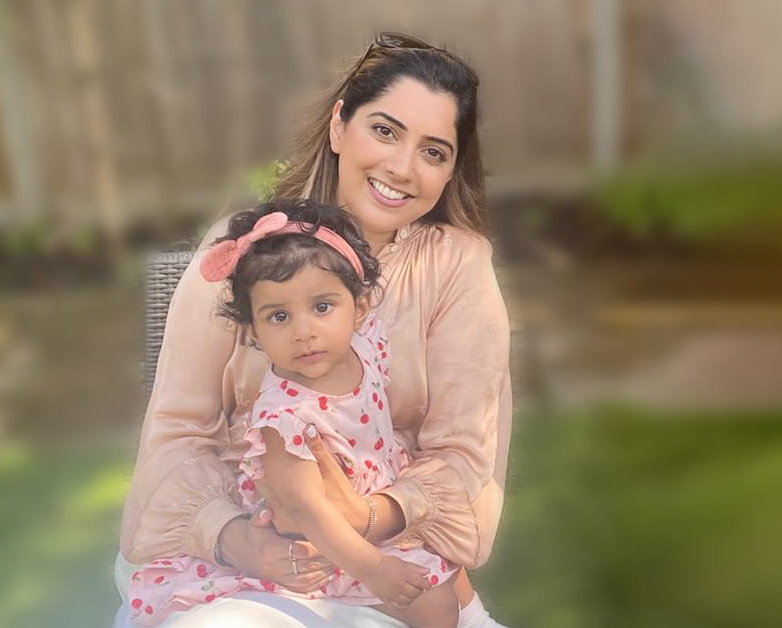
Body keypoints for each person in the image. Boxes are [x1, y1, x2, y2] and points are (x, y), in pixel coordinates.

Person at [117, 32, 512, 627]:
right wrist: (240, 540)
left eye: (434, 151)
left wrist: (364, 520)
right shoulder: (244, 251)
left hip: (392, 565)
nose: (401, 168)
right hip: (238, 558)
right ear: (338, 127)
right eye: (384, 130)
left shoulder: (456, 266)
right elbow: (177, 432)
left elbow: (464, 454)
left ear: (452, 169)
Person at [126, 200, 460, 627]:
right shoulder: (284, 421)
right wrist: (375, 570)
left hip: (366, 509)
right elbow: (308, 511)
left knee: (443, 602)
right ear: (254, 333)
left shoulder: (364, 344)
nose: (304, 332)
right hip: (317, 544)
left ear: (359, 309)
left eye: (322, 307)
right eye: (279, 316)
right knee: (433, 607)